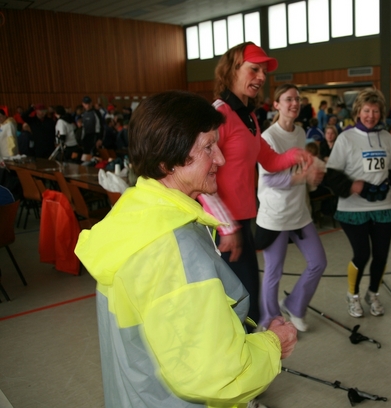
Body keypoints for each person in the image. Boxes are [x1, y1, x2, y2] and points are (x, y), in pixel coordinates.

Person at [74, 90, 297, 408]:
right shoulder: (175, 249)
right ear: (167, 163)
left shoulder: (135, 214)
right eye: (208, 147)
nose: (220, 158)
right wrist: (274, 343)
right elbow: (216, 374)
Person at [198, 42, 312, 330]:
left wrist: (295, 155)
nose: (261, 77)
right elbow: (200, 177)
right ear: (233, 70)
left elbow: (269, 160)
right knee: (242, 303)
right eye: (254, 69)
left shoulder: (247, 117)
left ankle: (245, 351)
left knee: (248, 302)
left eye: (263, 71)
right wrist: (225, 227)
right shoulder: (219, 114)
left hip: (242, 220)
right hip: (222, 225)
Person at [325, 88, 391, 318]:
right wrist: (351, 186)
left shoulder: (386, 137)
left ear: (381, 113)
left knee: (381, 255)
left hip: (383, 206)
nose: (371, 116)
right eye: (366, 111)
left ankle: (373, 293)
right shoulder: (345, 138)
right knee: (362, 254)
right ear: (358, 112)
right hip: (353, 208)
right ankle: (352, 295)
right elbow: (331, 175)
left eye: (375, 111)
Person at [256, 84, 326, 332]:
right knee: (274, 272)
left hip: (299, 213)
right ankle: (270, 319)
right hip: (275, 215)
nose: (294, 103)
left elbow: (299, 167)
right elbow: (269, 179)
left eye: (297, 99)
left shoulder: (300, 132)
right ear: (276, 104)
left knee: (318, 262)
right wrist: (300, 179)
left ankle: (295, 305)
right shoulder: (269, 137)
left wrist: (313, 172)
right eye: (288, 99)